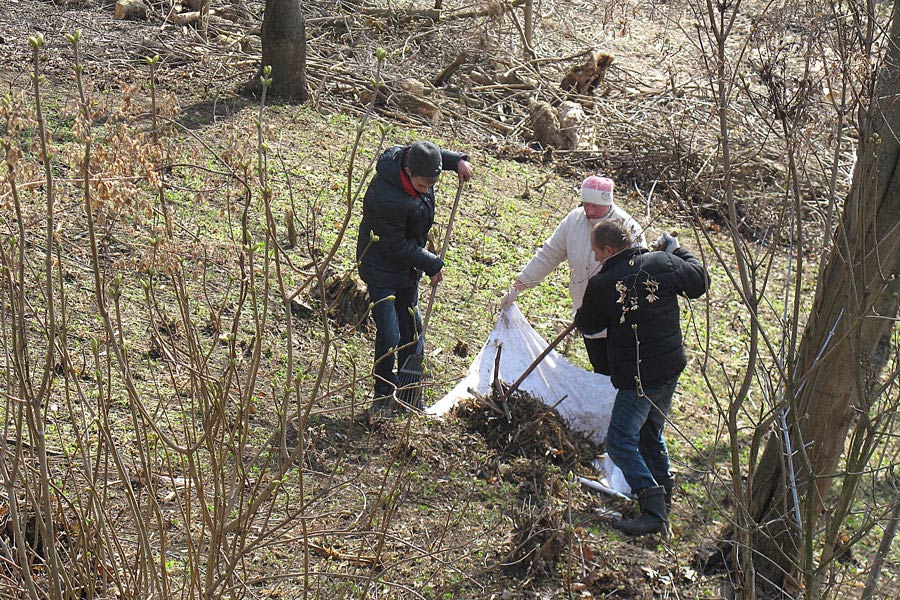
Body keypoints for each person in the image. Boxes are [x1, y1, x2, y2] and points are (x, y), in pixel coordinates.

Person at [575, 220, 709, 536]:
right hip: (669, 367)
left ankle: (652, 509)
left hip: (639, 376)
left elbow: (588, 324)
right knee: (650, 433)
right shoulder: (660, 262)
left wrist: (589, 304)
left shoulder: (604, 283)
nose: (595, 259)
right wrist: (677, 250)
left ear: (609, 249)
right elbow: (699, 281)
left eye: (597, 252)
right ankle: (664, 501)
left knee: (621, 442)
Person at [356, 141, 474, 415]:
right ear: (408, 173)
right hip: (381, 268)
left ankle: (409, 394)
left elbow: (430, 154)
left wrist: (456, 161)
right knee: (390, 334)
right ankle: (383, 396)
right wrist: (431, 263)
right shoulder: (387, 197)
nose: (426, 191)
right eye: (422, 186)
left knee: (412, 331)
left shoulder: (416, 161)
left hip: (407, 269)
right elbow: (393, 245)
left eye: (431, 186)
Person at [500, 175, 646, 374]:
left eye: (596, 206)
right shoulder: (574, 221)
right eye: (586, 204)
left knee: (619, 374)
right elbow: (549, 255)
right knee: (600, 367)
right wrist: (518, 287)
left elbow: (640, 274)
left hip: (619, 321)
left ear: (608, 203)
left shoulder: (628, 228)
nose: (590, 211)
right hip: (587, 314)